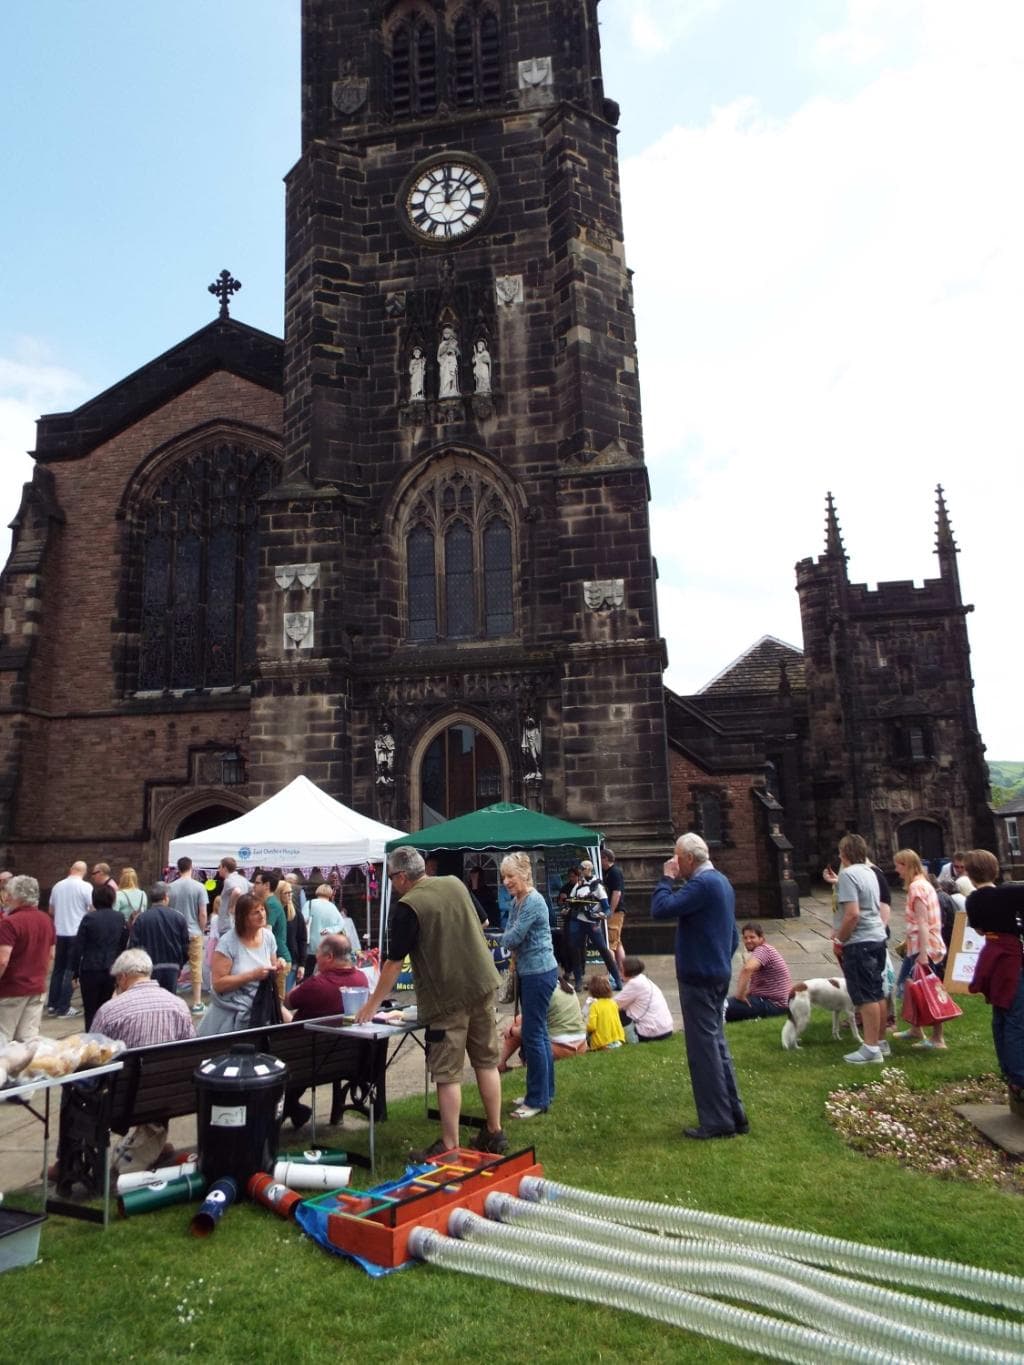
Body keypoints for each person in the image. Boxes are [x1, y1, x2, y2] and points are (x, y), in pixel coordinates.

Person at [355, 846, 507, 1157]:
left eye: (392, 879)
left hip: (447, 997)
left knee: (447, 1073)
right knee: (486, 1061)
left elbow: (394, 963)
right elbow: (483, 920)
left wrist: (371, 1005)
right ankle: (495, 1131)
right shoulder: (454, 883)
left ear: (400, 877)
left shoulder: (407, 906)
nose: (393, 885)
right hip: (483, 983)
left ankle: (450, 1146)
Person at [651, 832, 748, 1139]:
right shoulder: (721, 881)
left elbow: (660, 908)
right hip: (716, 973)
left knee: (703, 1051)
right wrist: (720, 959)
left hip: (699, 976)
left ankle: (717, 1121)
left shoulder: (702, 884)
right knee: (717, 1045)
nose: (674, 862)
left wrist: (666, 879)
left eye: (677, 857)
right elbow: (732, 935)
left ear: (689, 859)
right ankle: (734, 1114)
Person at [90, 949, 195, 1173]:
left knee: (75, 1090)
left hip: (121, 1102)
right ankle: (152, 1142)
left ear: (122, 977)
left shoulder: (110, 1011)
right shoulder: (178, 1005)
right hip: (168, 1097)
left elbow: (91, 1057)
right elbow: (189, 1052)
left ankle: (67, 1161)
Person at [282, 934, 370, 1130]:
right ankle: (293, 1107)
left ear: (329, 957)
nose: (316, 958)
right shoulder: (362, 979)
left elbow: (287, 1001)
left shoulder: (317, 985)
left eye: (318, 955)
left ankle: (288, 1106)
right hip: (345, 1058)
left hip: (306, 1058)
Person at [964, 849, 1024, 1112]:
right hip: (1010, 958)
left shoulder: (973, 900)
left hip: (991, 954)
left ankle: (1008, 1068)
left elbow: (979, 928)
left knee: (1000, 1013)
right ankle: (1019, 1076)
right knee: (1015, 1017)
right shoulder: (1008, 892)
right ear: (995, 869)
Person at [499, 851, 558, 1119]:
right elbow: (511, 933)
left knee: (533, 1036)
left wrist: (508, 936)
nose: (506, 882)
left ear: (524, 873)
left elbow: (513, 937)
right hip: (530, 971)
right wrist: (509, 936)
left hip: (539, 972)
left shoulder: (533, 901)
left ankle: (536, 1100)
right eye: (503, 877)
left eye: (510, 876)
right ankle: (544, 1092)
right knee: (539, 1035)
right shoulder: (518, 901)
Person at [832, 833, 889, 1064]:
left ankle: (870, 1048)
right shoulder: (870, 872)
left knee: (865, 996)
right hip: (877, 937)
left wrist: (839, 939)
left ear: (844, 853)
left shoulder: (848, 874)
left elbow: (852, 914)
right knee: (877, 992)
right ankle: (880, 1042)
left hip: (860, 941)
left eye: (840, 852)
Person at [198, 893, 279, 1037]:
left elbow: (272, 968)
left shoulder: (268, 937)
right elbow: (218, 984)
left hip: (260, 1009)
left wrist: (278, 966)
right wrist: (252, 975)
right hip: (228, 1016)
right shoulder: (228, 943)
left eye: (262, 910)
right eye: (255, 912)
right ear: (243, 918)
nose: (262, 915)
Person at [891, 849, 949, 1049]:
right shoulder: (924, 884)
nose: (896, 870)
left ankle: (938, 1039)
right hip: (922, 944)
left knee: (927, 991)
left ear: (906, 865)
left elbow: (923, 923)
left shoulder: (917, 888)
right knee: (913, 989)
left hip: (925, 947)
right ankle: (917, 1028)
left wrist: (923, 955)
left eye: (898, 865)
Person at [0, 875, 55, 1045]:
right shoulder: (46, 920)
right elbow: (52, 954)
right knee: (28, 1040)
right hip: (37, 987)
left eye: (8, 893)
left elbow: (2, 960)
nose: (6, 897)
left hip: (12, 988)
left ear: (17, 896)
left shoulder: (9, 923)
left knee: (2, 1038)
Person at [499, 974, 587, 1070]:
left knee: (524, 1030)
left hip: (560, 1048)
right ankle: (501, 1062)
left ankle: (503, 1063)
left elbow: (530, 1031)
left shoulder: (539, 992)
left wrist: (511, 1031)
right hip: (581, 1044)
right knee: (520, 1020)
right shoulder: (566, 986)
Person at [71, 883, 129, 1028]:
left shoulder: (89, 918)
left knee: (90, 1009)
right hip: (111, 968)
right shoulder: (120, 917)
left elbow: (78, 946)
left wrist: (74, 973)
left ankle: (91, 1038)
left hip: (90, 968)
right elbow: (123, 943)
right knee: (107, 1007)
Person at [46, 859, 93, 1017]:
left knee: (58, 969)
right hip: (76, 933)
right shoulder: (86, 887)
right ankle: (64, 1007)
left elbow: (51, 910)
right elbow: (92, 909)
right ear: (84, 872)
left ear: (71, 869)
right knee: (70, 970)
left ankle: (52, 1004)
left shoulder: (57, 886)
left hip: (59, 932)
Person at [567, 858, 622, 991]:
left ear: (588, 870)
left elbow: (607, 908)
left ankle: (617, 980)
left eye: (582, 869)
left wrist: (603, 915)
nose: (580, 871)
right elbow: (571, 901)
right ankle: (579, 979)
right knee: (574, 949)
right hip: (578, 921)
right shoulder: (578, 885)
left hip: (592, 922)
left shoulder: (597, 886)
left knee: (603, 950)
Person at [129, 882, 190, 994]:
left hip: (148, 968)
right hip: (172, 967)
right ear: (166, 897)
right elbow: (186, 946)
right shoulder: (179, 918)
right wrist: (180, 964)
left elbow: (133, 947)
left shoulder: (141, 919)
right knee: (168, 1000)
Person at [725, 924, 793, 1022]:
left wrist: (740, 995)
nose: (748, 940)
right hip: (777, 1003)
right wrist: (744, 994)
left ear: (761, 938)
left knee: (720, 1008)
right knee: (724, 1004)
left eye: (752, 937)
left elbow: (747, 969)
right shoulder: (765, 950)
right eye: (745, 938)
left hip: (774, 1005)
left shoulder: (763, 950)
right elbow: (757, 985)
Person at [167, 856, 209, 1014]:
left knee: (174, 965)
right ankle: (197, 1002)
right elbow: (203, 913)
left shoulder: (170, 888)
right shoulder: (199, 887)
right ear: (192, 867)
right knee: (196, 966)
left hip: (174, 932)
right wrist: (201, 929)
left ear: (178, 868)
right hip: (194, 932)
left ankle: (171, 999)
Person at [616, 956, 674, 1041]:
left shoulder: (634, 984)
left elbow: (613, 1004)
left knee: (613, 1011)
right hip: (665, 1029)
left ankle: (626, 1040)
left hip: (651, 1032)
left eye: (621, 969)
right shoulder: (642, 979)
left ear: (628, 970)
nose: (619, 972)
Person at [305, 883, 345, 974]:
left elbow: (303, 920)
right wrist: (331, 930)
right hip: (326, 945)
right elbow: (341, 923)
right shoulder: (332, 907)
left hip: (310, 944)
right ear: (330, 894)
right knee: (325, 972)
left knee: (307, 972)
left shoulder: (310, 904)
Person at [601, 847, 627, 975]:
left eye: (601, 859)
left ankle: (612, 974)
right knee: (617, 943)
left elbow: (617, 893)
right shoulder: (608, 872)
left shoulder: (614, 872)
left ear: (606, 859)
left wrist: (610, 911)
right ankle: (623, 972)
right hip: (616, 911)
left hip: (615, 912)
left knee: (610, 944)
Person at [279, 878, 307, 993]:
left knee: (285, 998)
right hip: (276, 961)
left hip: (292, 962)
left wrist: (302, 964)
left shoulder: (295, 913)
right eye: (287, 893)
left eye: (291, 892)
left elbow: (302, 939)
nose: (290, 895)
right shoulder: (271, 912)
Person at [584, 974, 626, 1050]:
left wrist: (583, 1026)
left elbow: (592, 1026)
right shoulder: (613, 1003)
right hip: (618, 1039)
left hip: (602, 1042)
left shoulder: (595, 1005)